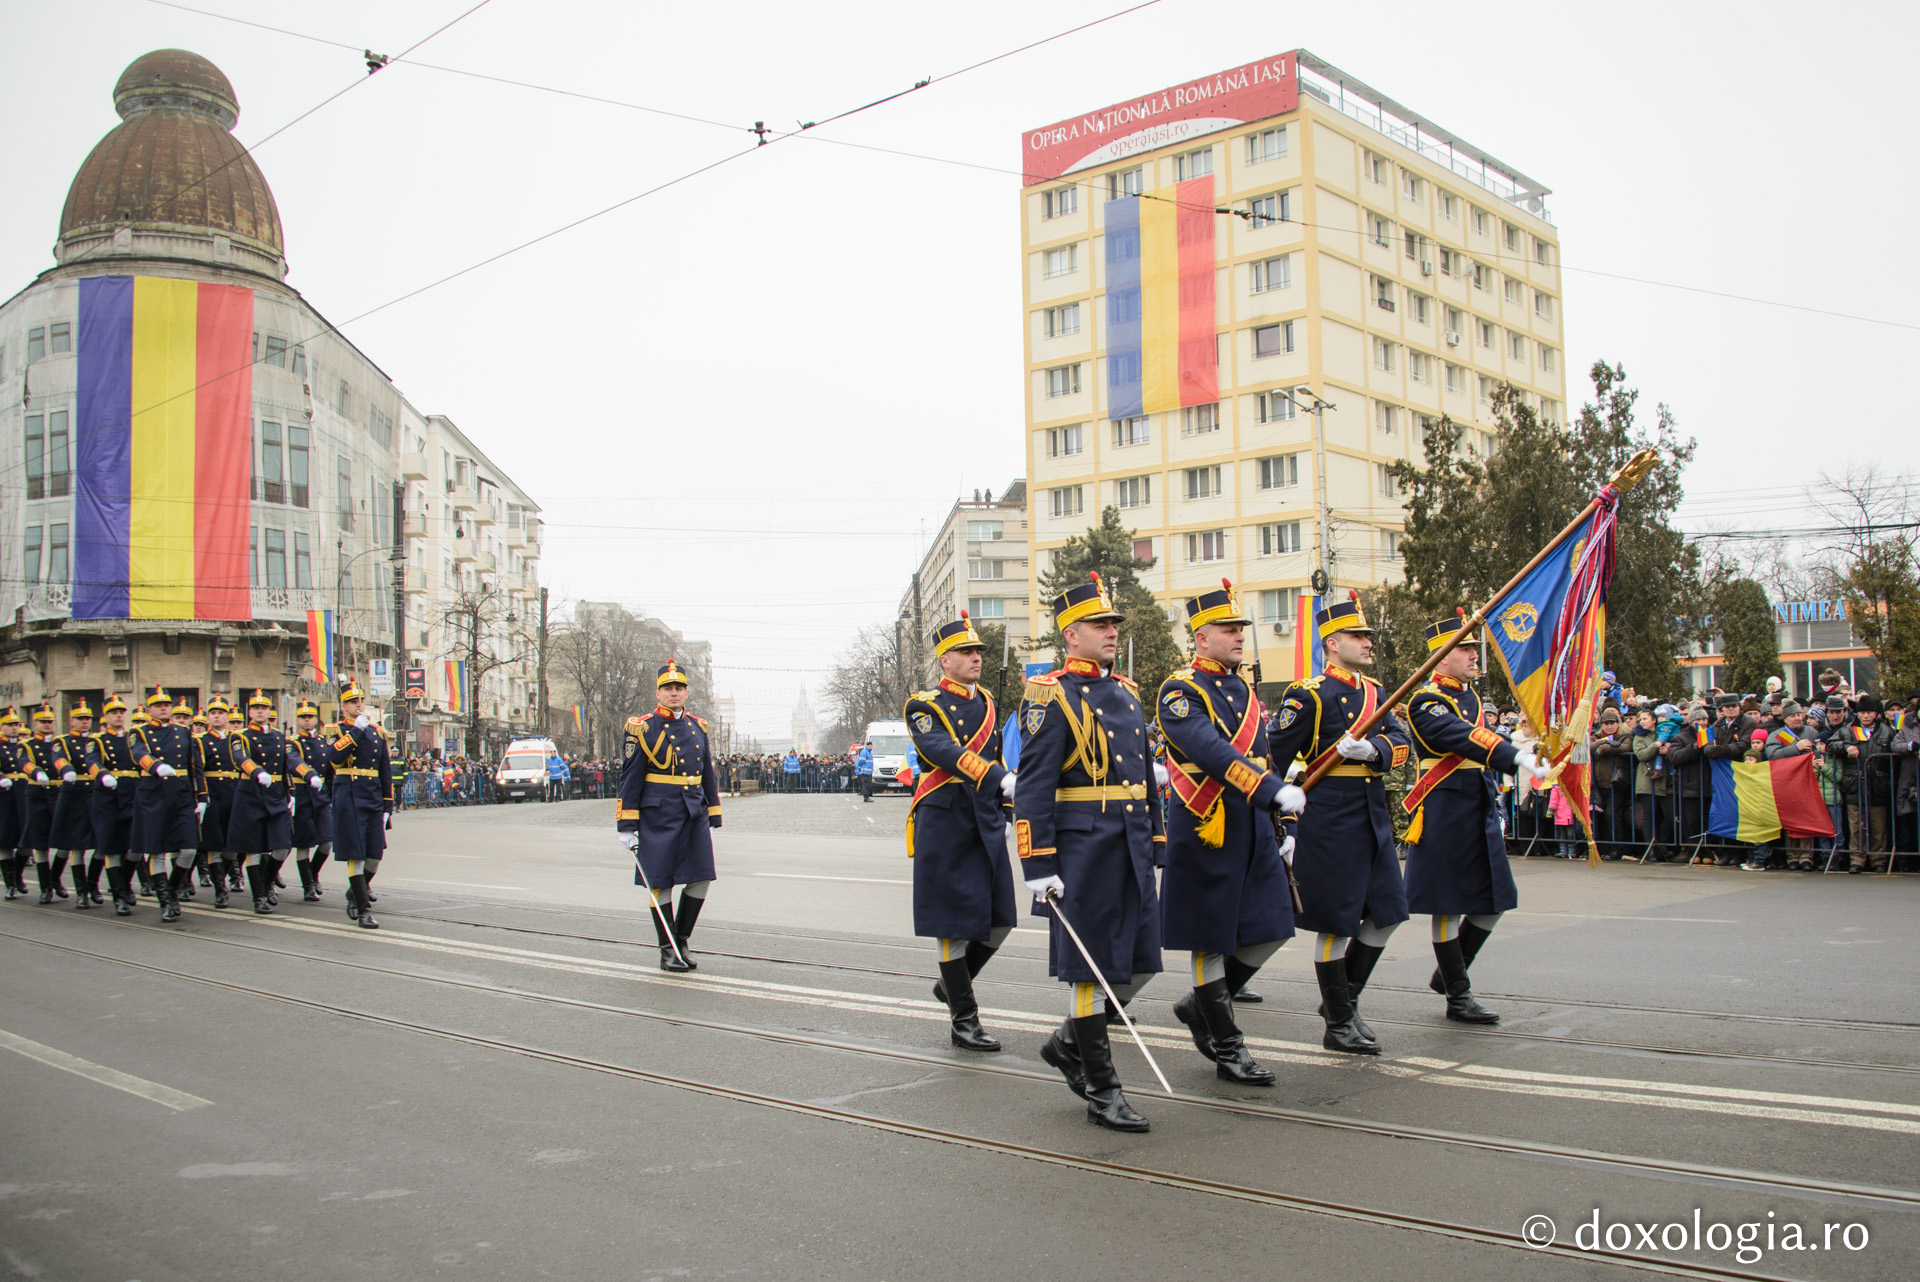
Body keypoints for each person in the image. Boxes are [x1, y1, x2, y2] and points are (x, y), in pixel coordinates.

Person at [1013, 572, 1161, 1133]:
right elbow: (1032, 788)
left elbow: (1144, 776)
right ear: (1070, 634)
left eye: (1113, 624)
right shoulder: (1050, 694)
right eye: (1099, 624)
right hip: (1082, 849)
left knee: (1133, 962)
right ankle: (1103, 1089)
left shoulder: (1125, 692)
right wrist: (1038, 864)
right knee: (1088, 972)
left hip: (1129, 843)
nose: (1111, 632)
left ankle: (1065, 1044)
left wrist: (1157, 841)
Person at [1157, 580, 1299, 1085]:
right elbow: (1208, 750)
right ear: (1201, 638)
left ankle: (1200, 1006)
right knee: (1210, 937)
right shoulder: (1179, 691)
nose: (1239, 635)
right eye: (1228, 628)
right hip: (1206, 823)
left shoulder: (1243, 687)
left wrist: (1285, 817)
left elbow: (1267, 754)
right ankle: (1226, 1043)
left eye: (1241, 627)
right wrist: (1269, 790)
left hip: (1254, 823)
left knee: (1274, 925)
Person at [1264, 593, 1411, 1055]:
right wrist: (1284, 821)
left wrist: (1376, 751)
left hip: (1370, 810)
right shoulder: (1308, 694)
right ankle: (1340, 1022)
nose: (1368, 643)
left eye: (1368, 636)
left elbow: (1401, 740)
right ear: (1332, 643)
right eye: (1358, 636)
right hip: (1329, 812)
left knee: (1387, 914)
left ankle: (1340, 1005)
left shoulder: (1375, 692)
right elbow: (1277, 761)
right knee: (1337, 923)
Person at [1400, 614, 1547, 1025]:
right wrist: (1513, 755)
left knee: (1495, 899)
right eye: (1464, 649)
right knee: (1446, 906)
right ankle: (1458, 996)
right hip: (1444, 806)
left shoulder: (1471, 697)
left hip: (1477, 801)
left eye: (1472, 648)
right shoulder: (1425, 699)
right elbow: (1459, 736)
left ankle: (1449, 975)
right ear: (1441, 657)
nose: (1472, 655)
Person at [904, 612, 1018, 1052]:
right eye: (966, 652)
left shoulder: (988, 701)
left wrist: (1005, 807)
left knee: (1000, 920)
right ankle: (963, 1020)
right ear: (944, 661)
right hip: (946, 815)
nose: (976, 658)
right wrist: (996, 780)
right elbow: (942, 751)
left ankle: (953, 986)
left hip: (985, 814)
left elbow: (999, 754)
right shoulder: (924, 704)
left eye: (978, 652)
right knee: (952, 925)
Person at [616, 660, 722, 971]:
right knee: (660, 882)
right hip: (659, 812)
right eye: (667, 688)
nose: (673, 693)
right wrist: (626, 824)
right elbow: (630, 778)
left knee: (702, 877)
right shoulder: (642, 727)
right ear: (658, 693)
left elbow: (707, 775)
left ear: (686, 692)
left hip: (693, 810)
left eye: (678, 688)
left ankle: (682, 940)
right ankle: (668, 950)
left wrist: (713, 814)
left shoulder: (697, 726)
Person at [230, 690, 321, 913]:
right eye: (255, 708)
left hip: (276, 796)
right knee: (254, 850)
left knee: (282, 846)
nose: (260, 712)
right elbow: (240, 758)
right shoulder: (240, 736)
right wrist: (256, 771)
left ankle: (266, 880)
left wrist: (308, 775)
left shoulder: (280, 738)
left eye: (264, 708)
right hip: (251, 794)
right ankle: (259, 897)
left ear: (270, 712)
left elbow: (290, 763)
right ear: (249, 712)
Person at [129, 688, 203, 922]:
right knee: (157, 849)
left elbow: (195, 766)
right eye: (158, 705)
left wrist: (202, 796)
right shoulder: (138, 732)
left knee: (189, 849)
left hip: (180, 794)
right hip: (154, 793)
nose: (163, 708)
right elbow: (138, 753)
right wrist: (155, 766)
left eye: (166, 704)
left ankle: (171, 890)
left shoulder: (183, 732)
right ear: (148, 709)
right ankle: (166, 901)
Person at [327, 682, 394, 928]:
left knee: (375, 855)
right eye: (353, 702)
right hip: (349, 795)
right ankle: (364, 909)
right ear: (344, 706)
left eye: (360, 701)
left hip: (373, 797)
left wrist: (387, 805)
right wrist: (355, 731)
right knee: (356, 854)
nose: (358, 705)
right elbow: (334, 758)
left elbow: (385, 771)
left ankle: (355, 892)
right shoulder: (337, 730)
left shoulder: (377, 732)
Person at [86, 695, 140, 915]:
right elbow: (91, 761)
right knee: (112, 848)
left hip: (132, 793)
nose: (118, 716)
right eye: (113, 713)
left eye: (121, 712)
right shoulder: (97, 740)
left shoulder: (133, 739)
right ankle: (119, 896)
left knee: (135, 847)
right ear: (105, 716)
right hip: (108, 796)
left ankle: (125, 885)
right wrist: (102, 774)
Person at [192, 696, 245, 908]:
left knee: (231, 844)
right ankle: (220, 889)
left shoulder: (236, 739)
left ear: (227, 716)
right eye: (213, 713)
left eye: (221, 713)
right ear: (208, 717)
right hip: (212, 793)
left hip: (233, 793)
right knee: (213, 844)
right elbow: (198, 771)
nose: (217, 716)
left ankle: (223, 875)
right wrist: (202, 797)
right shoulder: (200, 740)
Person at [50, 700, 103, 908]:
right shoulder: (62, 741)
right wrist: (66, 770)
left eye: (87, 719)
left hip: (95, 793)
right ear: (71, 720)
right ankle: (81, 891)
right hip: (74, 794)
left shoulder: (97, 740)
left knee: (101, 842)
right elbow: (59, 758)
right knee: (76, 845)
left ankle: (93, 884)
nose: (84, 722)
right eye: (80, 719)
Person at [290, 700, 335, 900]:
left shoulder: (323, 743)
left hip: (321, 796)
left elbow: (330, 771)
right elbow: (294, 762)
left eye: (310, 717)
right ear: (298, 720)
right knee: (304, 843)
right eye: (302, 717)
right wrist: (309, 775)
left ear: (316, 720)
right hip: (302, 793)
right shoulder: (292, 743)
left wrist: (333, 796)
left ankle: (313, 872)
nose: (306, 721)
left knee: (326, 840)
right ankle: (307, 885)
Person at [21, 705, 63, 901]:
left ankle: (55, 878)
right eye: (43, 722)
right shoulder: (27, 744)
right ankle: (46, 887)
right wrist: (35, 771)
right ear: (35, 724)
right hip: (37, 792)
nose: (47, 725)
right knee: (40, 843)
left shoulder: (59, 742)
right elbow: (23, 761)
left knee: (65, 839)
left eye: (50, 722)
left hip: (58, 792)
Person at [0, 709, 30, 899]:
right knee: (6, 841)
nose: (14, 728)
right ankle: (10, 883)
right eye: (10, 725)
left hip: (23, 795)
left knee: (25, 839)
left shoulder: (24, 747)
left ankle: (18, 875)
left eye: (16, 725)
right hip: (4, 796)